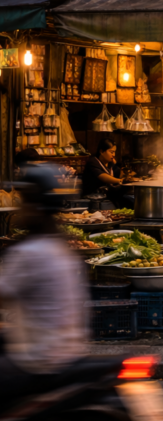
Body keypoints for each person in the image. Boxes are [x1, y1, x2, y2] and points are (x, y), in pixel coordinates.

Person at [0, 164, 89, 394]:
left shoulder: (31, 252)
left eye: (24, 201)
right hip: (69, 350)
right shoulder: (60, 248)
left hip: (40, 356)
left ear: (34, 206)